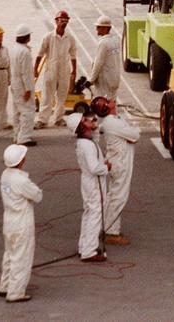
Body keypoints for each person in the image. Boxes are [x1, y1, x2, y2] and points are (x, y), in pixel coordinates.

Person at [0, 143, 42, 303]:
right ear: (21, 161)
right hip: (21, 222)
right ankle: (15, 292)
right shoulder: (21, 180)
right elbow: (37, 195)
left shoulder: (5, 175)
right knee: (21, 257)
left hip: (9, 220)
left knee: (9, 254)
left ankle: (5, 285)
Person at [96, 96, 140, 245]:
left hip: (118, 161)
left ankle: (107, 226)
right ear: (107, 108)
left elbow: (132, 136)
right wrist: (131, 135)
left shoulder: (113, 121)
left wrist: (130, 135)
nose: (110, 100)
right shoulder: (113, 124)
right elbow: (135, 135)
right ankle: (111, 232)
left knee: (113, 195)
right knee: (119, 197)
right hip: (120, 164)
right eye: (107, 102)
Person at [67, 111, 109, 262]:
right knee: (95, 214)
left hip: (87, 181)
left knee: (89, 212)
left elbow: (95, 139)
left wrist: (94, 126)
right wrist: (107, 168)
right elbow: (94, 168)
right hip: (94, 182)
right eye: (85, 120)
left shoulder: (84, 142)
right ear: (81, 126)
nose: (89, 119)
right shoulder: (87, 145)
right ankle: (89, 250)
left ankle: (84, 246)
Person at [34, 10, 76, 129]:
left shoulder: (70, 38)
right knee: (47, 95)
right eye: (62, 20)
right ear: (56, 21)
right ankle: (42, 119)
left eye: (66, 21)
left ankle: (59, 118)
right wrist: (35, 69)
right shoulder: (48, 37)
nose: (64, 23)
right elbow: (40, 54)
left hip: (64, 70)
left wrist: (74, 71)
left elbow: (73, 55)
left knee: (62, 95)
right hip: (51, 70)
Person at [9, 24, 37, 146]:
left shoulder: (14, 49)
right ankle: (24, 137)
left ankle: (17, 135)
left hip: (15, 84)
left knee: (17, 111)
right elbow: (25, 73)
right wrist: (28, 89)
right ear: (27, 37)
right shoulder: (25, 52)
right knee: (28, 111)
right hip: (22, 85)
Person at [86, 14, 122, 101]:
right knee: (112, 103)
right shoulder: (115, 40)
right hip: (114, 79)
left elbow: (98, 64)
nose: (96, 29)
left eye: (98, 27)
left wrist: (91, 80)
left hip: (105, 82)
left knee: (102, 106)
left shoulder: (103, 43)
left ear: (105, 28)